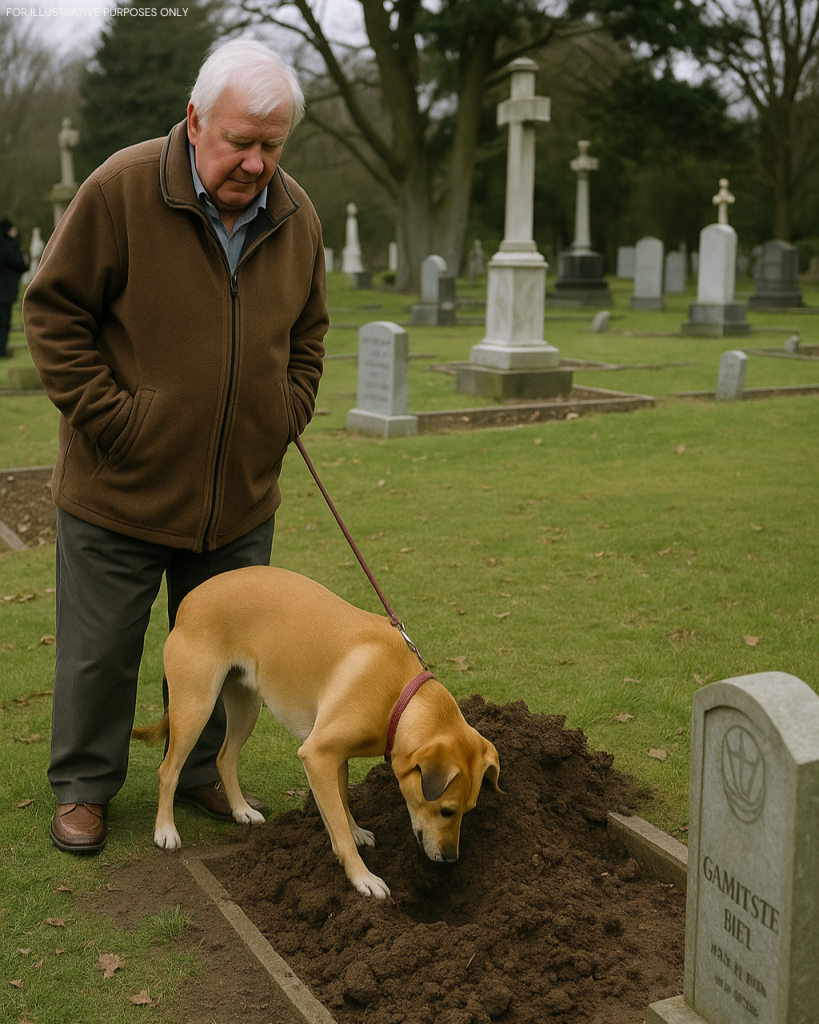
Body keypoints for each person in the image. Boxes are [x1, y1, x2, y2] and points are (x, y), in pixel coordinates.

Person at [23, 40, 329, 854]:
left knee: (226, 657)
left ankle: (197, 772)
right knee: (101, 652)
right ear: (196, 123)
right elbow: (53, 312)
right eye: (241, 141)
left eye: (272, 145)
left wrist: (282, 413)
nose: (257, 163)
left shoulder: (296, 216)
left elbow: (308, 336)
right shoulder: (121, 188)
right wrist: (118, 423)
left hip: (237, 496)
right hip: (118, 485)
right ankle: (86, 788)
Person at [0, 218, 29, 358]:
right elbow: (19, 263)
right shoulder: (10, 245)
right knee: (4, 320)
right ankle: (2, 350)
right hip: (5, 289)